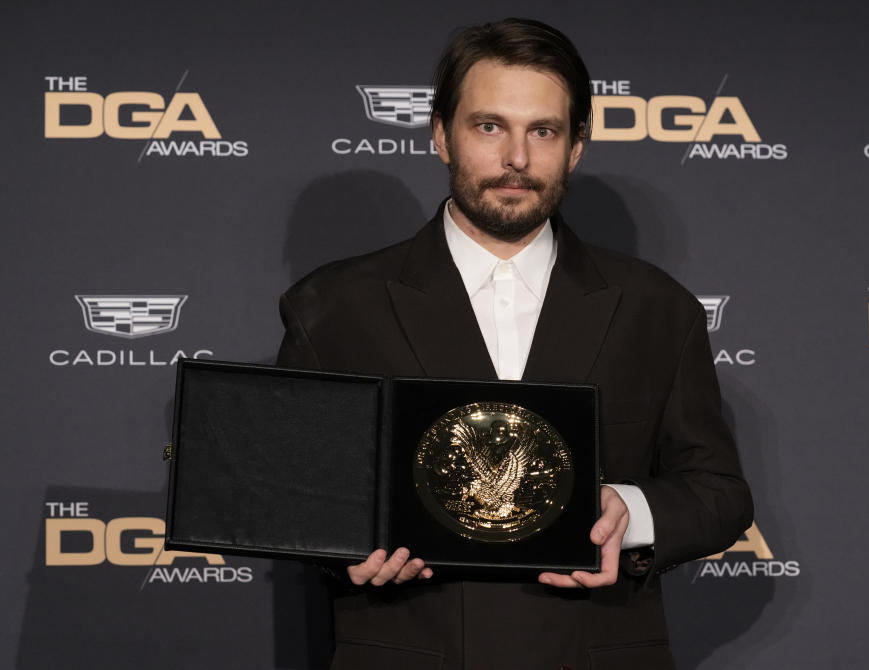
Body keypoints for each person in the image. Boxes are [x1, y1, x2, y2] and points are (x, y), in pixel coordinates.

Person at [277, 17, 752, 670]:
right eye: (489, 126)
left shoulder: (655, 307)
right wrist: (338, 544)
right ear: (441, 134)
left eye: (543, 131)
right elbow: (289, 490)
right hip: (408, 650)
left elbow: (718, 492)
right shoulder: (333, 306)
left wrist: (630, 512)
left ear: (576, 145)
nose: (517, 160)